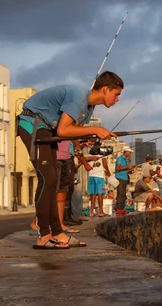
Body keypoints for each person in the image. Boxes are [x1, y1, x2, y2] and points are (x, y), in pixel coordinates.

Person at [17, 71, 121, 249]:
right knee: (47, 179)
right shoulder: (78, 97)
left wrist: (91, 135)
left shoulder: (88, 108)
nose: (117, 99)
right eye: (116, 94)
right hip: (33, 124)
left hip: (47, 129)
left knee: (53, 180)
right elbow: (63, 131)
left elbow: (73, 130)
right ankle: (43, 234)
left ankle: (57, 233)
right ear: (105, 89)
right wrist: (95, 129)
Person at [86, 152, 110, 217]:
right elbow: (104, 164)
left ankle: (91, 211)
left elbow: (85, 160)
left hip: (91, 176)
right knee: (100, 194)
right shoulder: (102, 154)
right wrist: (108, 172)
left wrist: (91, 158)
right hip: (99, 176)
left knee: (93, 194)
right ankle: (101, 211)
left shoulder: (89, 154)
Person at [115, 147, 133, 215]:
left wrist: (130, 169)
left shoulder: (125, 159)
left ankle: (121, 208)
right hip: (120, 178)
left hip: (124, 178)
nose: (130, 153)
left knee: (123, 194)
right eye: (129, 152)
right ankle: (119, 209)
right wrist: (126, 167)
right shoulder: (120, 158)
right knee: (121, 194)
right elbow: (118, 168)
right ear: (126, 152)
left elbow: (123, 169)